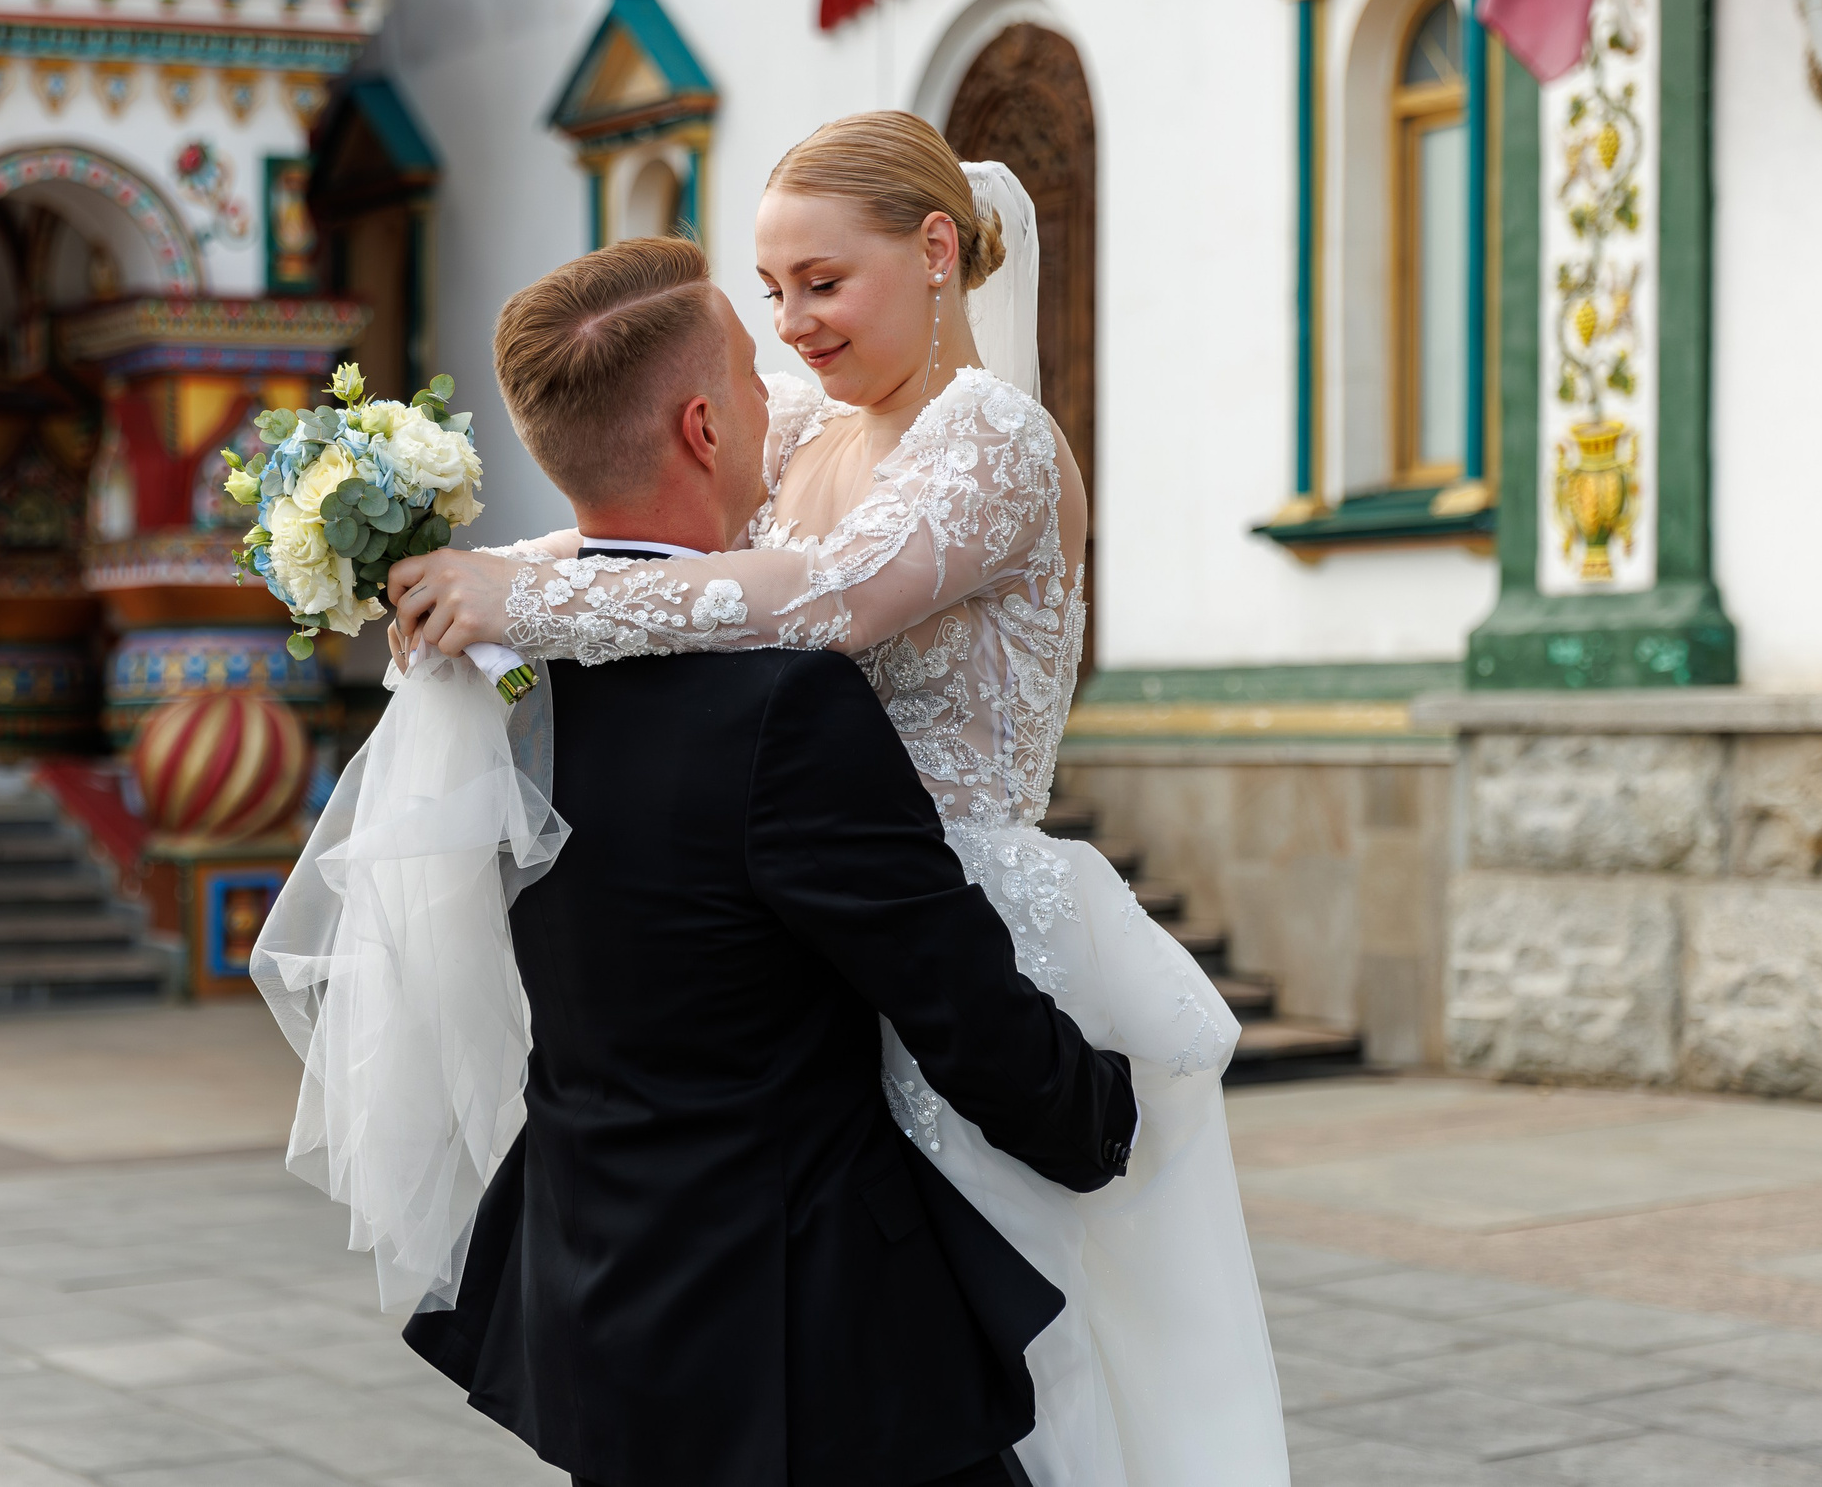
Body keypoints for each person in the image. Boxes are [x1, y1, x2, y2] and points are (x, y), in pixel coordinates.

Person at [385, 113, 1290, 1487]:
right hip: (825, 930)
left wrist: (529, 596)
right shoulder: (812, 419)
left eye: (823, 280)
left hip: (966, 913)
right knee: (910, 1328)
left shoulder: (992, 437)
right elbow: (648, 504)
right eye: (772, 292)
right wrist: (484, 572)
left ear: (937, 252)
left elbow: (830, 599)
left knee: (1042, 1353)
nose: (793, 324)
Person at [261, 235, 1139, 1487]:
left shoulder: (490, 683)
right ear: (704, 428)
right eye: (750, 369)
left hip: (596, 1305)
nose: (783, 376)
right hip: (803, 1340)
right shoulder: (782, 703)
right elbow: (947, 992)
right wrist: (1096, 1118)